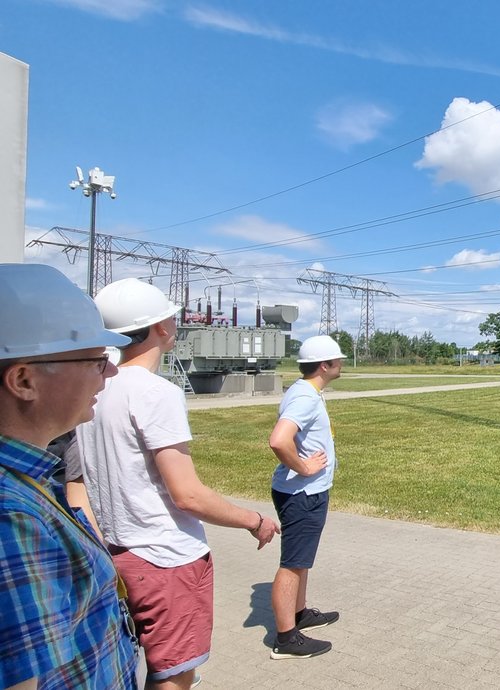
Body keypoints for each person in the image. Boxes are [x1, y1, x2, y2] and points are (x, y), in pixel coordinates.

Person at [70, 278, 279, 690]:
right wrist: (254, 520)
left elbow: (78, 483)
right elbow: (188, 495)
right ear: (161, 327)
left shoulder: (94, 386)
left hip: (116, 553)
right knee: (174, 675)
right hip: (168, 559)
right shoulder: (156, 392)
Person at [0, 263, 138, 689]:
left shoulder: (28, 484)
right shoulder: (12, 517)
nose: (111, 372)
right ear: (24, 379)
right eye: (96, 361)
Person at [268, 335, 344, 659]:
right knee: (293, 564)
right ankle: (286, 638)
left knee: (302, 561)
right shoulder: (306, 398)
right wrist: (304, 467)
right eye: (338, 359)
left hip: (304, 492)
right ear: (325, 365)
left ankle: (299, 614)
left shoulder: (304, 391)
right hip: (303, 493)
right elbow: (278, 440)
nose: (342, 363)